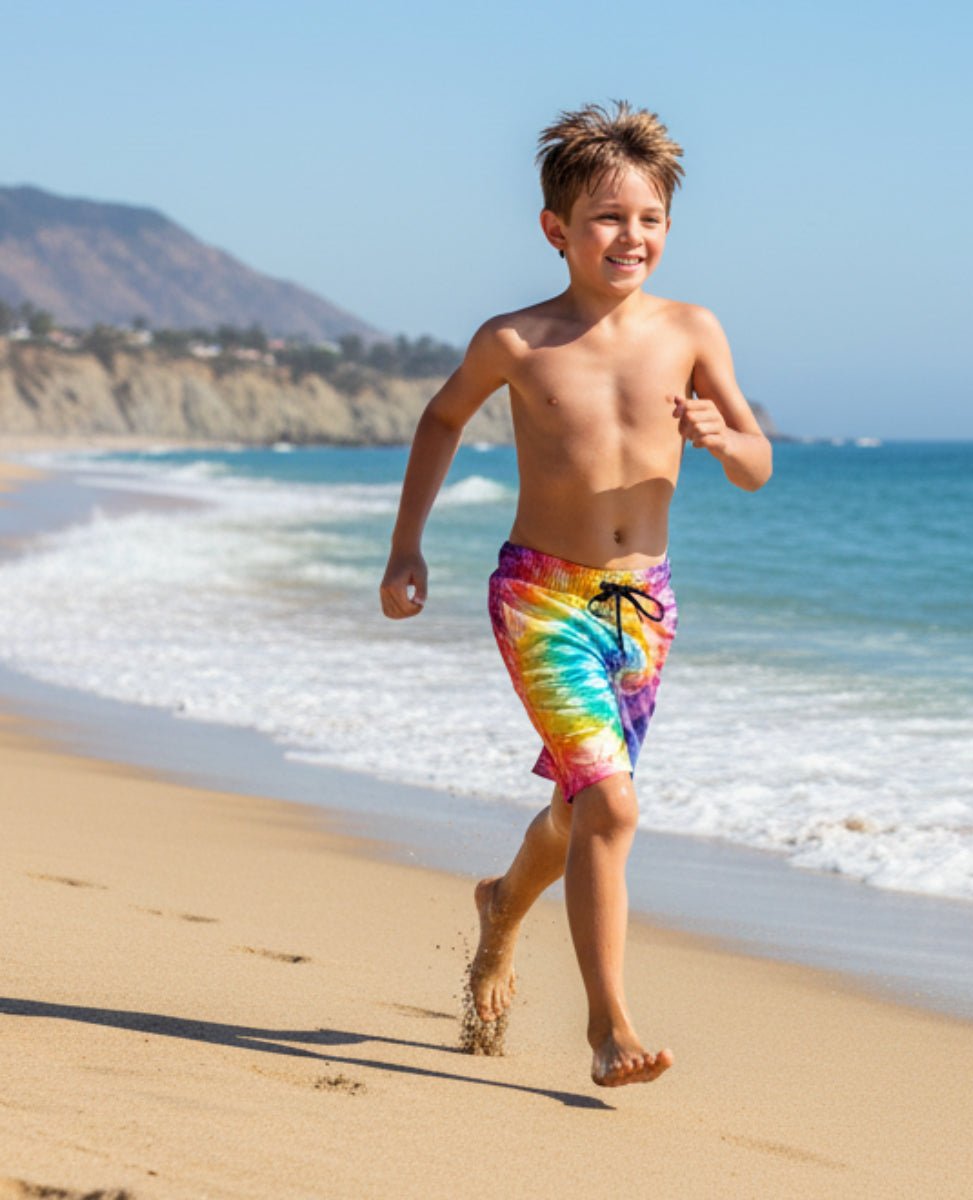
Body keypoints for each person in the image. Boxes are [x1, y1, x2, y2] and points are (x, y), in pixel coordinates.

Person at [380, 101, 772, 1087]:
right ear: (557, 230)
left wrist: (726, 442)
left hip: (642, 607)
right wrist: (406, 548)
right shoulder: (516, 341)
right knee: (614, 807)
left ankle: (502, 908)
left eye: (647, 218)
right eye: (606, 217)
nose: (629, 236)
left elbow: (758, 461)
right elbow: (440, 420)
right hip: (542, 598)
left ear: (669, 229)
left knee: (583, 808)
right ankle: (609, 1026)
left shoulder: (692, 329)